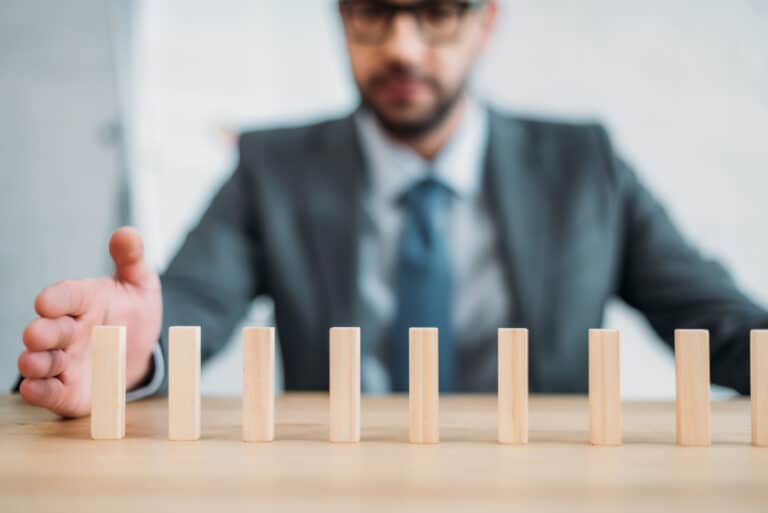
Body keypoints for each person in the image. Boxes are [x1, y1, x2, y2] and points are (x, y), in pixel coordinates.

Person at [15, 0, 767, 418]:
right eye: (374, 12)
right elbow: (190, 302)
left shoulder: (583, 164)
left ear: (488, 20)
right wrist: (135, 352)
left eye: (436, 12)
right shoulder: (272, 167)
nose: (403, 46)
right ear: (341, 17)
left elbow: (722, 320)